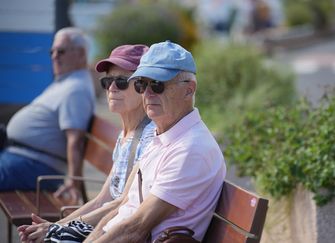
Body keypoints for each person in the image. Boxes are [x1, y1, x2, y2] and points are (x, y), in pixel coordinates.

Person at [84, 41, 226, 242]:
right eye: (142, 84)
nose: (148, 94)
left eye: (158, 84)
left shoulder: (190, 149)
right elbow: (122, 207)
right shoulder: (162, 137)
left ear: (189, 89)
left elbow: (135, 228)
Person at [17, 44, 156, 243]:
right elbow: (103, 199)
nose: (112, 88)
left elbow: (120, 205)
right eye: (107, 81)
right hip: (107, 222)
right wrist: (58, 225)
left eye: (122, 82)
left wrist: (58, 227)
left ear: (143, 86)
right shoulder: (126, 135)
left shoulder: (150, 137)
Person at [0, 27, 95, 202]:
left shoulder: (76, 89)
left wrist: (73, 181)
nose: (54, 56)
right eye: (52, 51)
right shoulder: (67, 81)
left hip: (34, 165)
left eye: (61, 51)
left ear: (81, 54)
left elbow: (75, 140)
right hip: (20, 157)